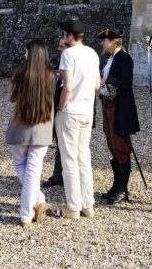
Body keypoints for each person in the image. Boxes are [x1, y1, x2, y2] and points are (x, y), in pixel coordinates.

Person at [52, 19, 100, 219]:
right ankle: (87, 205)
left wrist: (60, 107)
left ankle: (73, 207)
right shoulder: (92, 53)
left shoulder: (69, 54)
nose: (63, 38)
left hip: (70, 111)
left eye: (64, 35)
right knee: (83, 157)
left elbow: (68, 87)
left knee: (69, 159)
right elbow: (97, 84)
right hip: (87, 111)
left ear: (70, 36)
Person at [6, 39, 55, 227]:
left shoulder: (20, 74)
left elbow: (12, 97)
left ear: (32, 54)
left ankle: (27, 213)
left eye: (26, 52)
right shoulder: (52, 76)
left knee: (20, 164)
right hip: (43, 126)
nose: (24, 55)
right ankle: (36, 202)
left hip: (21, 126)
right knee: (34, 170)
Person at [96, 28, 139, 204]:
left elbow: (127, 83)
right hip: (108, 104)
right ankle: (116, 186)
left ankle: (123, 189)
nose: (102, 44)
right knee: (112, 144)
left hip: (119, 107)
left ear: (114, 41)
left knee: (120, 146)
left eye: (105, 40)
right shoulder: (111, 59)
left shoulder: (124, 58)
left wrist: (108, 80)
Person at [41, 35, 68, 188]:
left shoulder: (72, 63)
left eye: (61, 46)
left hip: (66, 110)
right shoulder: (62, 61)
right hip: (57, 108)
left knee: (66, 145)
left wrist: (59, 108)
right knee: (59, 144)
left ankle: (64, 176)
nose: (58, 49)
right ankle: (58, 175)